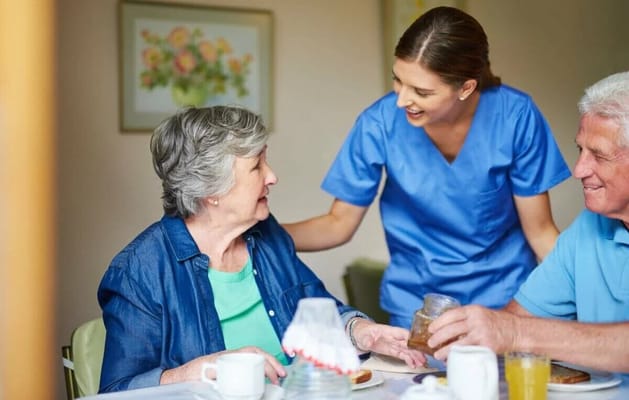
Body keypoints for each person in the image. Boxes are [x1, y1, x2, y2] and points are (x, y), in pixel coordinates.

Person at [97, 106, 425, 393]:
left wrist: (361, 332)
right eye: (256, 167)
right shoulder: (140, 271)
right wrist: (199, 370)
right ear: (213, 190)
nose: (272, 177)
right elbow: (116, 390)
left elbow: (318, 312)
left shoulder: (266, 236)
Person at [282, 6, 571, 329]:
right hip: (417, 308)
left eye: (422, 91)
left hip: (505, 305)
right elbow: (338, 224)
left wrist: (593, 300)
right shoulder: (379, 123)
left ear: (466, 88)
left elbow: (542, 233)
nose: (403, 100)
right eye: (398, 80)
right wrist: (257, 234)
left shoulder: (515, 117)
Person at [427, 71, 629, 373]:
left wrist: (514, 333)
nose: (578, 170)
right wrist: (473, 332)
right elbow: (519, 320)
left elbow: (516, 331)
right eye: (580, 150)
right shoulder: (589, 228)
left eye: (598, 155)